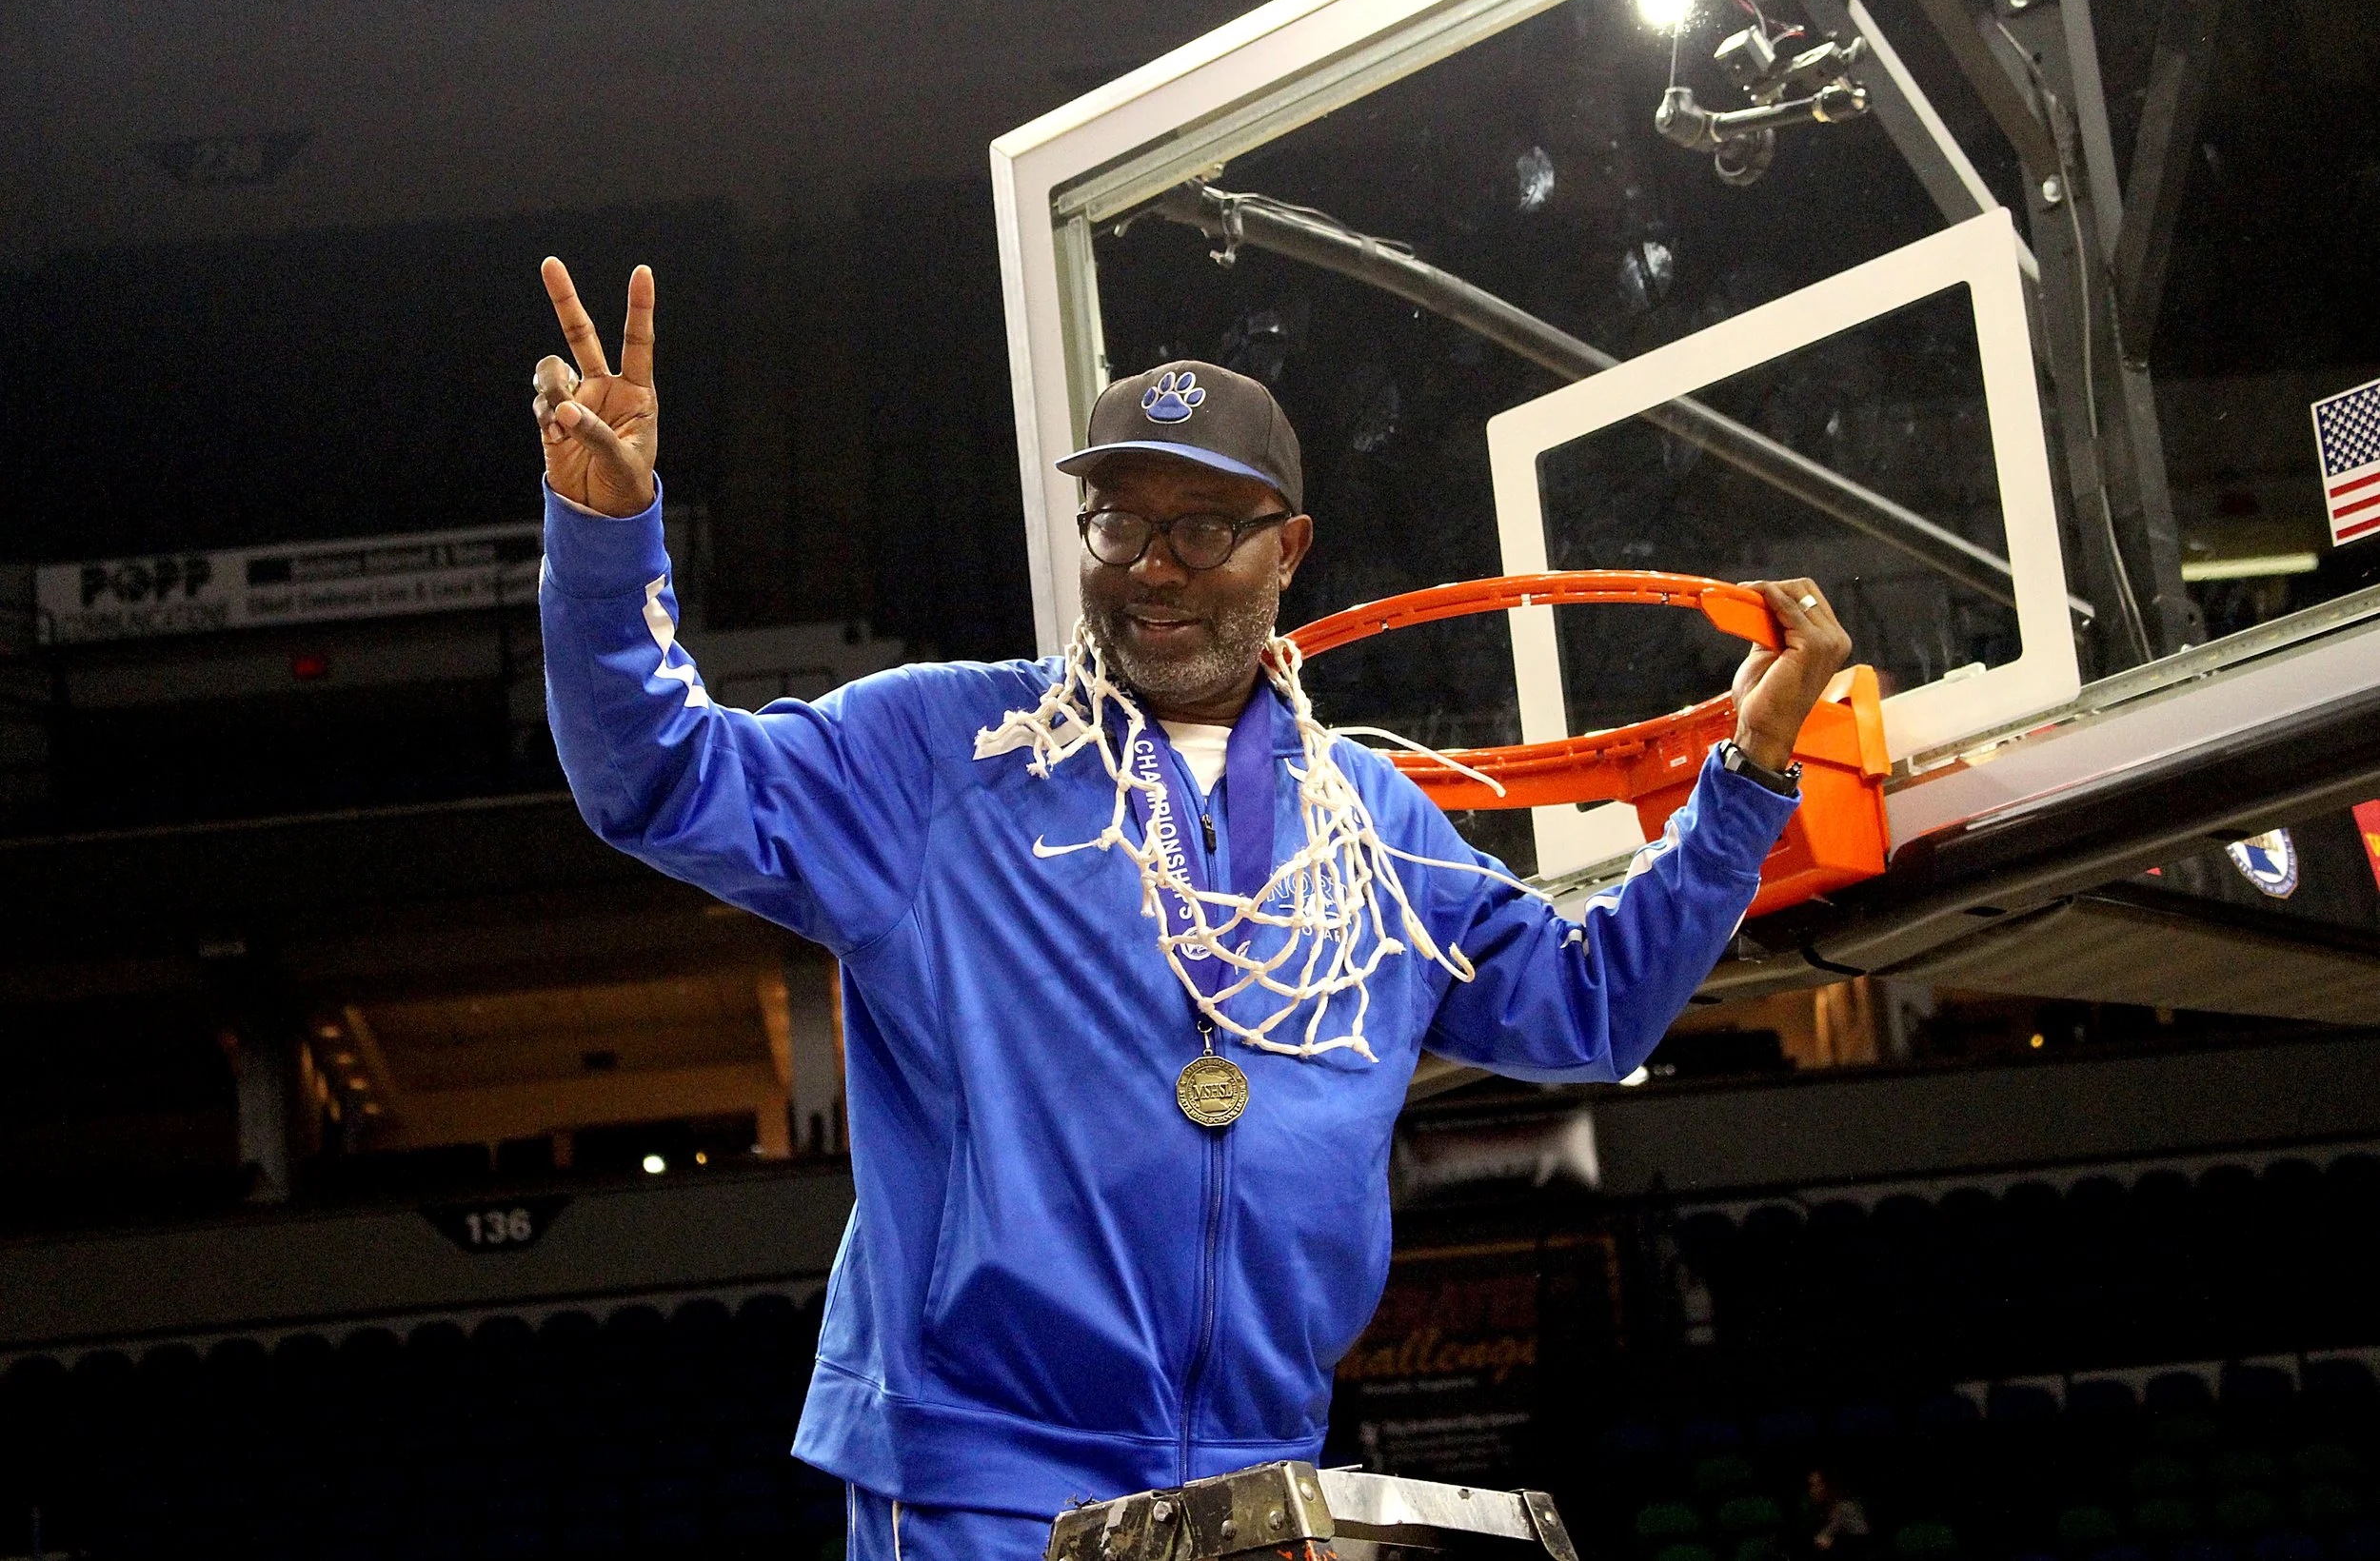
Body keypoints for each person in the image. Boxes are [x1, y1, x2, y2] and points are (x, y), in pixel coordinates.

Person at [530, 258, 1852, 1561]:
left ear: (1290, 548)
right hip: (985, 1477)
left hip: (1257, 1495)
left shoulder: (1370, 822)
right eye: (1120, 522)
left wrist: (1746, 782)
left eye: (1203, 529)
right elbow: (655, 777)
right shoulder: (944, 752)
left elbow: (1590, 1006)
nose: (1152, 569)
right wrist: (605, 545)